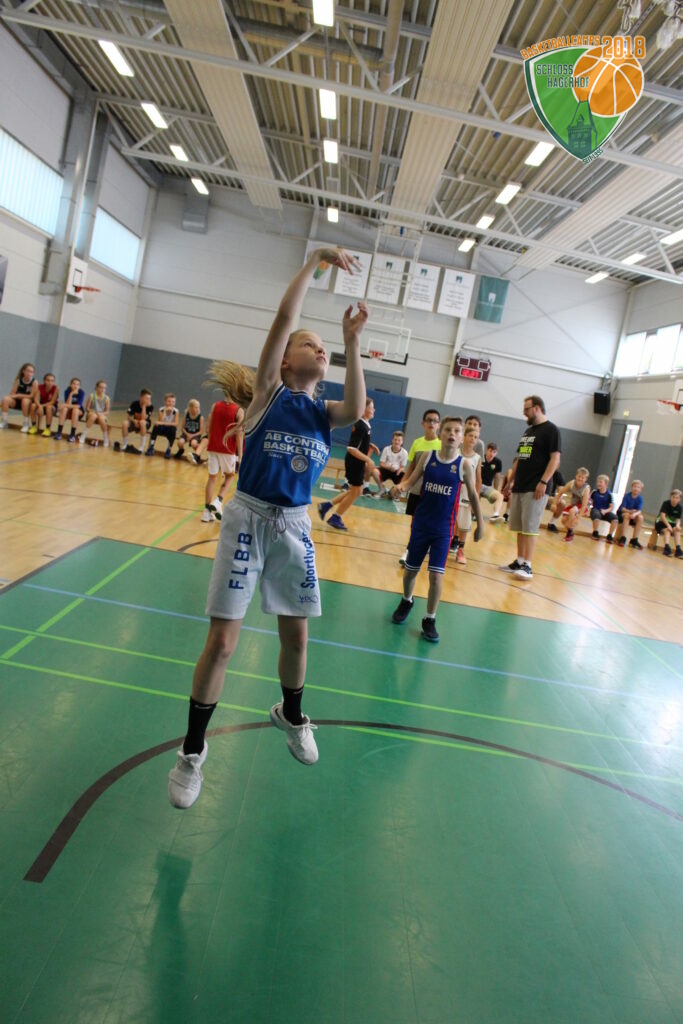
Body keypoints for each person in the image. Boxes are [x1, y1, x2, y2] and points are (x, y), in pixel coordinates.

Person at [168, 246, 367, 809]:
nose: (319, 349)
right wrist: (316, 261)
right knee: (223, 642)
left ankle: (292, 714)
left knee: (296, 637)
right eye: (309, 343)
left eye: (323, 347)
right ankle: (192, 751)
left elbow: (356, 406)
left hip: (294, 528)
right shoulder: (267, 396)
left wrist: (350, 342)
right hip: (247, 519)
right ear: (283, 363)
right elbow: (284, 317)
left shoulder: (324, 414)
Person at [390, 417, 483, 642]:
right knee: (410, 571)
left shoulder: (464, 465)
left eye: (457, 431)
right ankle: (407, 600)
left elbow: (473, 495)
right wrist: (400, 487)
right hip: (421, 524)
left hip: (443, 529)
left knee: (436, 576)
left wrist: (480, 523)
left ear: (461, 437)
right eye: (448, 429)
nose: (452, 433)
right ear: (440, 433)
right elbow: (411, 481)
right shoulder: (427, 457)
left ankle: (430, 619)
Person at [500, 395, 561, 580]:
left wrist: (543, 482)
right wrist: (510, 481)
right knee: (520, 526)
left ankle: (528, 565)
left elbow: (555, 459)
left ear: (537, 408)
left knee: (530, 527)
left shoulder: (551, 430)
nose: (524, 412)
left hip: (536, 487)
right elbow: (520, 458)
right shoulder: (528, 431)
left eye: (526, 409)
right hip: (521, 485)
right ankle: (519, 561)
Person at [317, 397, 380, 530]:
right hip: (354, 462)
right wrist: (368, 459)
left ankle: (326, 506)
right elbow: (351, 448)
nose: (374, 410)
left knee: (355, 491)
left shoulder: (365, 425)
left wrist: (370, 445)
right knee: (356, 491)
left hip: (358, 462)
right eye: (371, 407)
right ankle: (335, 517)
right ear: (363, 409)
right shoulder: (360, 426)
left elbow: (360, 443)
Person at [397, 409, 443, 565]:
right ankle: (411, 549)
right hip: (416, 490)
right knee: (415, 522)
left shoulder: (441, 445)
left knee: (428, 522)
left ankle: (418, 548)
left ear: (439, 425)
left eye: (435, 421)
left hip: (433, 492)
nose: (432, 423)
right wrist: (402, 485)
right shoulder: (417, 443)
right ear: (423, 423)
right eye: (429, 420)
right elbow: (411, 467)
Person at [201, 392, 244, 522]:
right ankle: (218, 501)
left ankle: (206, 512)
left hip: (213, 446)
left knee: (212, 477)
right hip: (227, 449)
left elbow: (208, 428)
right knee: (230, 476)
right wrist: (240, 455)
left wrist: (211, 441)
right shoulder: (239, 410)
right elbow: (239, 434)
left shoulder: (215, 406)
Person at [451, 423, 477, 564]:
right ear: (464, 437)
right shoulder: (455, 452)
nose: (473, 439)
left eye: (475, 437)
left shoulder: (477, 458)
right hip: (453, 491)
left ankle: (461, 550)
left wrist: (475, 499)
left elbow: (478, 481)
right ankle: (444, 544)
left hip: (467, 494)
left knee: (464, 524)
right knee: (450, 520)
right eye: (470, 436)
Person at [547, 467, 590, 542]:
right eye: (579, 476)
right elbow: (560, 493)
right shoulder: (571, 483)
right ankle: (571, 531)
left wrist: (578, 517)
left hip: (583, 506)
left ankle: (569, 535)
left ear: (586, 479)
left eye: (583, 478)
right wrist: (554, 504)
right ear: (576, 476)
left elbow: (584, 505)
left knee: (572, 511)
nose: (580, 479)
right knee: (564, 521)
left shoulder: (586, 489)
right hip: (574, 505)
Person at [1, 362, 38, 432]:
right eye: (28, 371)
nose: (29, 373)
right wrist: (17, 396)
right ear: (23, 371)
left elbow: (31, 396)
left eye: (31, 372)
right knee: (5, 399)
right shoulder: (18, 380)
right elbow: (12, 393)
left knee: (25, 400)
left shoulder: (34, 382)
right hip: (17, 401)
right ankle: (4, 421)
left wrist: (18, 395)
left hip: (27, 403)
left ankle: (26, 424)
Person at [115, 388, 154, 454]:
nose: (149, 400)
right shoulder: (134, 404)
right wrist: (134, 421)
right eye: (147, 398)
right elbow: (129, 417)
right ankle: (125, 445)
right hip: (134, 423)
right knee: (125, 423)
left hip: (144, 424)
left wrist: (144, 406)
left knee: (142, 422)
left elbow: (144, 418)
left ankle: (142, 447)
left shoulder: (150, 406)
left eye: (149, 398)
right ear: (141, 397)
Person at [147, 393, 179, 459]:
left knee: (173, 428)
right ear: (165, 402)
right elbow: (160, 421)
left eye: (173, 402)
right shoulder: (161, 409)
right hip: (162, 429)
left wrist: (163, 423)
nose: (171, 403)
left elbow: (176, 424)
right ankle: (151, 446)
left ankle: (169, 449)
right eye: (169, 401)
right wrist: (165, 411)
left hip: (170, 430)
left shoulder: (176, 411)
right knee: (156, 426)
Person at [652, 488, 682, 558]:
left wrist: (677, 525)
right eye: (673, 497)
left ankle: (678, 549)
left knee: (677, 531)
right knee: (667, 530)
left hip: (672, 524)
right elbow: (662, 516)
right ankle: (666, 548)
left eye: (677, 498)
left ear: (679, 499)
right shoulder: (666, 503)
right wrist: (668, 525)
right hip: (661, 522)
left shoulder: (680, 507)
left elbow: (678, 519)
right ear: (670, 497)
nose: (674, 499)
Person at [614, 480, 644, 549]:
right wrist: (631, 511)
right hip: (622, 515)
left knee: (641, 517)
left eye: (638, 487)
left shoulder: (640, 498)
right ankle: (623, 537)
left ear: (640, 490)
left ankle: (634, 539)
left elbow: (639, 511)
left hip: (632, 516)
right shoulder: (627, 496)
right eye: (635, 486)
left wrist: (634, 514)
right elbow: (622, 509)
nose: (636, 488)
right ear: (632, 487)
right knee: (627, 515)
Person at [54, 377, 86, 442]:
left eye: (77, 384)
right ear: (70, 385)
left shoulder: (81, 392)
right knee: (64, 409)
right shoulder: (67, 391)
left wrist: (64, 405)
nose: (75, 386)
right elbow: (68, 404)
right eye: (74, 384)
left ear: (79, 386)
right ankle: (59, 432)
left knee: (75, 410)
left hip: (78, 412)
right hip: (69, 411)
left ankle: (72, 434)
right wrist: (71, 394)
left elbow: (78, 406)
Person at [80, 380, 110, 446]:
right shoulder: (92, 396)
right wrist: (94, 412)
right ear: (96, 387)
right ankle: (83, 435)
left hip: (101, 415)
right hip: (92, 414)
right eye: (101, 387)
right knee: (94, 416)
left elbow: (107, 411)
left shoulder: (107, 398)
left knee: (101, 418)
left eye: (104, 388)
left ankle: (105, 438)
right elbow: (87, 408)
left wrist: (100, 414)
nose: (103, 389)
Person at [378, 430, 409, 497]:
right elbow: (381, 463)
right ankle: (382, 488)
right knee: (374, 471)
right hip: (386, 469)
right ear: (392, 440)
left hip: (396, 472)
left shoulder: (405, 453)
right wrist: (388, 467)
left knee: (405, 477)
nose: (397, 442)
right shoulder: (386, 449)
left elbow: (402, 467)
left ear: (402, 442)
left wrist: (399, 470)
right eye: (395, 440)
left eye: (399, 440)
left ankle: (393, 491)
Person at [589, 474, 618, 542]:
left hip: (605, 512)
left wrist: (605, 511)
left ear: (606, 483)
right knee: (596, 515)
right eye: (598, 482)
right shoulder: (594, 492)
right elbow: (590, 502)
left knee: (615, 519)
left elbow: (611, 507)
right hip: (596, 510)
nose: (598, 484)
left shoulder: (609, 494)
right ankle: (595, 532)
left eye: (600, 482)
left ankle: (610, 535)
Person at [481, 442, 504, 520]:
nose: (492, 454)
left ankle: (495, 515)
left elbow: (497, 477)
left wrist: (496, 490)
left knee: (500, 496)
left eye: (494, 452)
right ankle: (473, 513)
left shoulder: (498, 462)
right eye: (490, 451)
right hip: (478, 485)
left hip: (488, 487)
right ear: (487, 450)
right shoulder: (480, 458)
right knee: (475, 495)